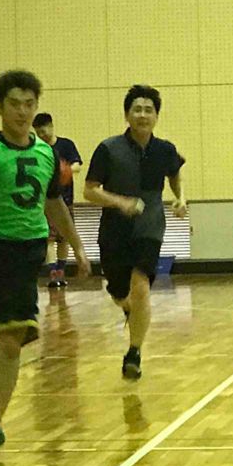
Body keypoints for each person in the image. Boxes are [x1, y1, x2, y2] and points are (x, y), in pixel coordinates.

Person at [0, 69, 91, 450]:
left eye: (29, 104)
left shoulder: (48, 154)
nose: (22, 112)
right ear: (0, 107)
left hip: (26, 251)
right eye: (14, 104)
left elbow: (54, 203)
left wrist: (77, 246)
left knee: (11, 342)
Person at [84, 85, 186, 380]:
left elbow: (175, 172)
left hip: (149, 225)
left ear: (156, 116)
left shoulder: (165, 149)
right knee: (120, 292)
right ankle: (128, 307)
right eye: (137, 109)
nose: (143, 115)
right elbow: (89, 191)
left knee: (141, 285)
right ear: (127, 115)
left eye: (148, 110)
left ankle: (134, 352)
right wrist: (121, 202)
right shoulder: (108, 149)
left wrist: (180, 198)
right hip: (114, 228)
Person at [32, 113, 83, 288]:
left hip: (66, 199)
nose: (42, 135)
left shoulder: (66, 145)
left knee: (64, 238)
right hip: (45, 201)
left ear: (51, 126)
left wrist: (65, 171)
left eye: (44, 131)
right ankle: (52, 273)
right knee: (49, 239)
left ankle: (61, 271)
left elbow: (77, 165)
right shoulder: (37, 149)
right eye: (38, 133)